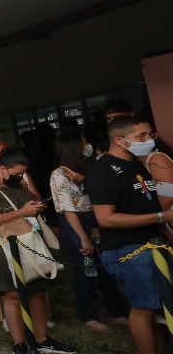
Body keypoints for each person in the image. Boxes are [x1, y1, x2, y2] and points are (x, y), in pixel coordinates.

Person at [85, 116, 173, 354]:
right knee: (144, 308)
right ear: (120, 140)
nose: (150, 139)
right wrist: (161, 216)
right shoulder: (102, 172)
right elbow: (106, 218)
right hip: (127, 249)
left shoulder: (137, 164)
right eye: (142, 135)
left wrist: (161, 226)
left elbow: (145, 202)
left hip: (154, 243)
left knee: (160, 307)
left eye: (150, 134)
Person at [0, 150, 78, 354]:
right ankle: (19, 344)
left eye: (23, 174)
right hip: (7, 245)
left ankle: (42, 338)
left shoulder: (19, 185)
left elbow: (31, 204)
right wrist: (22, 212)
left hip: (33, 241)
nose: (20, 177)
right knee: (13, 295)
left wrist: (31, 199)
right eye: (16, 173)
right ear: (2, 169)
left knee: (39, 291)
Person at [49, 132, 127, 331]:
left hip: (96, 218)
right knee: (84, 269)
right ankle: (88, 316)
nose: (88, 146)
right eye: (84, 143)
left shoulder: (89, 168)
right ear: (74, 147)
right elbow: (68, 210)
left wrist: (83, 178)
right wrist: (83, 238)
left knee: (106, 265)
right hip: (74, 222)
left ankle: (116, 312)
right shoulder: (58, 175)